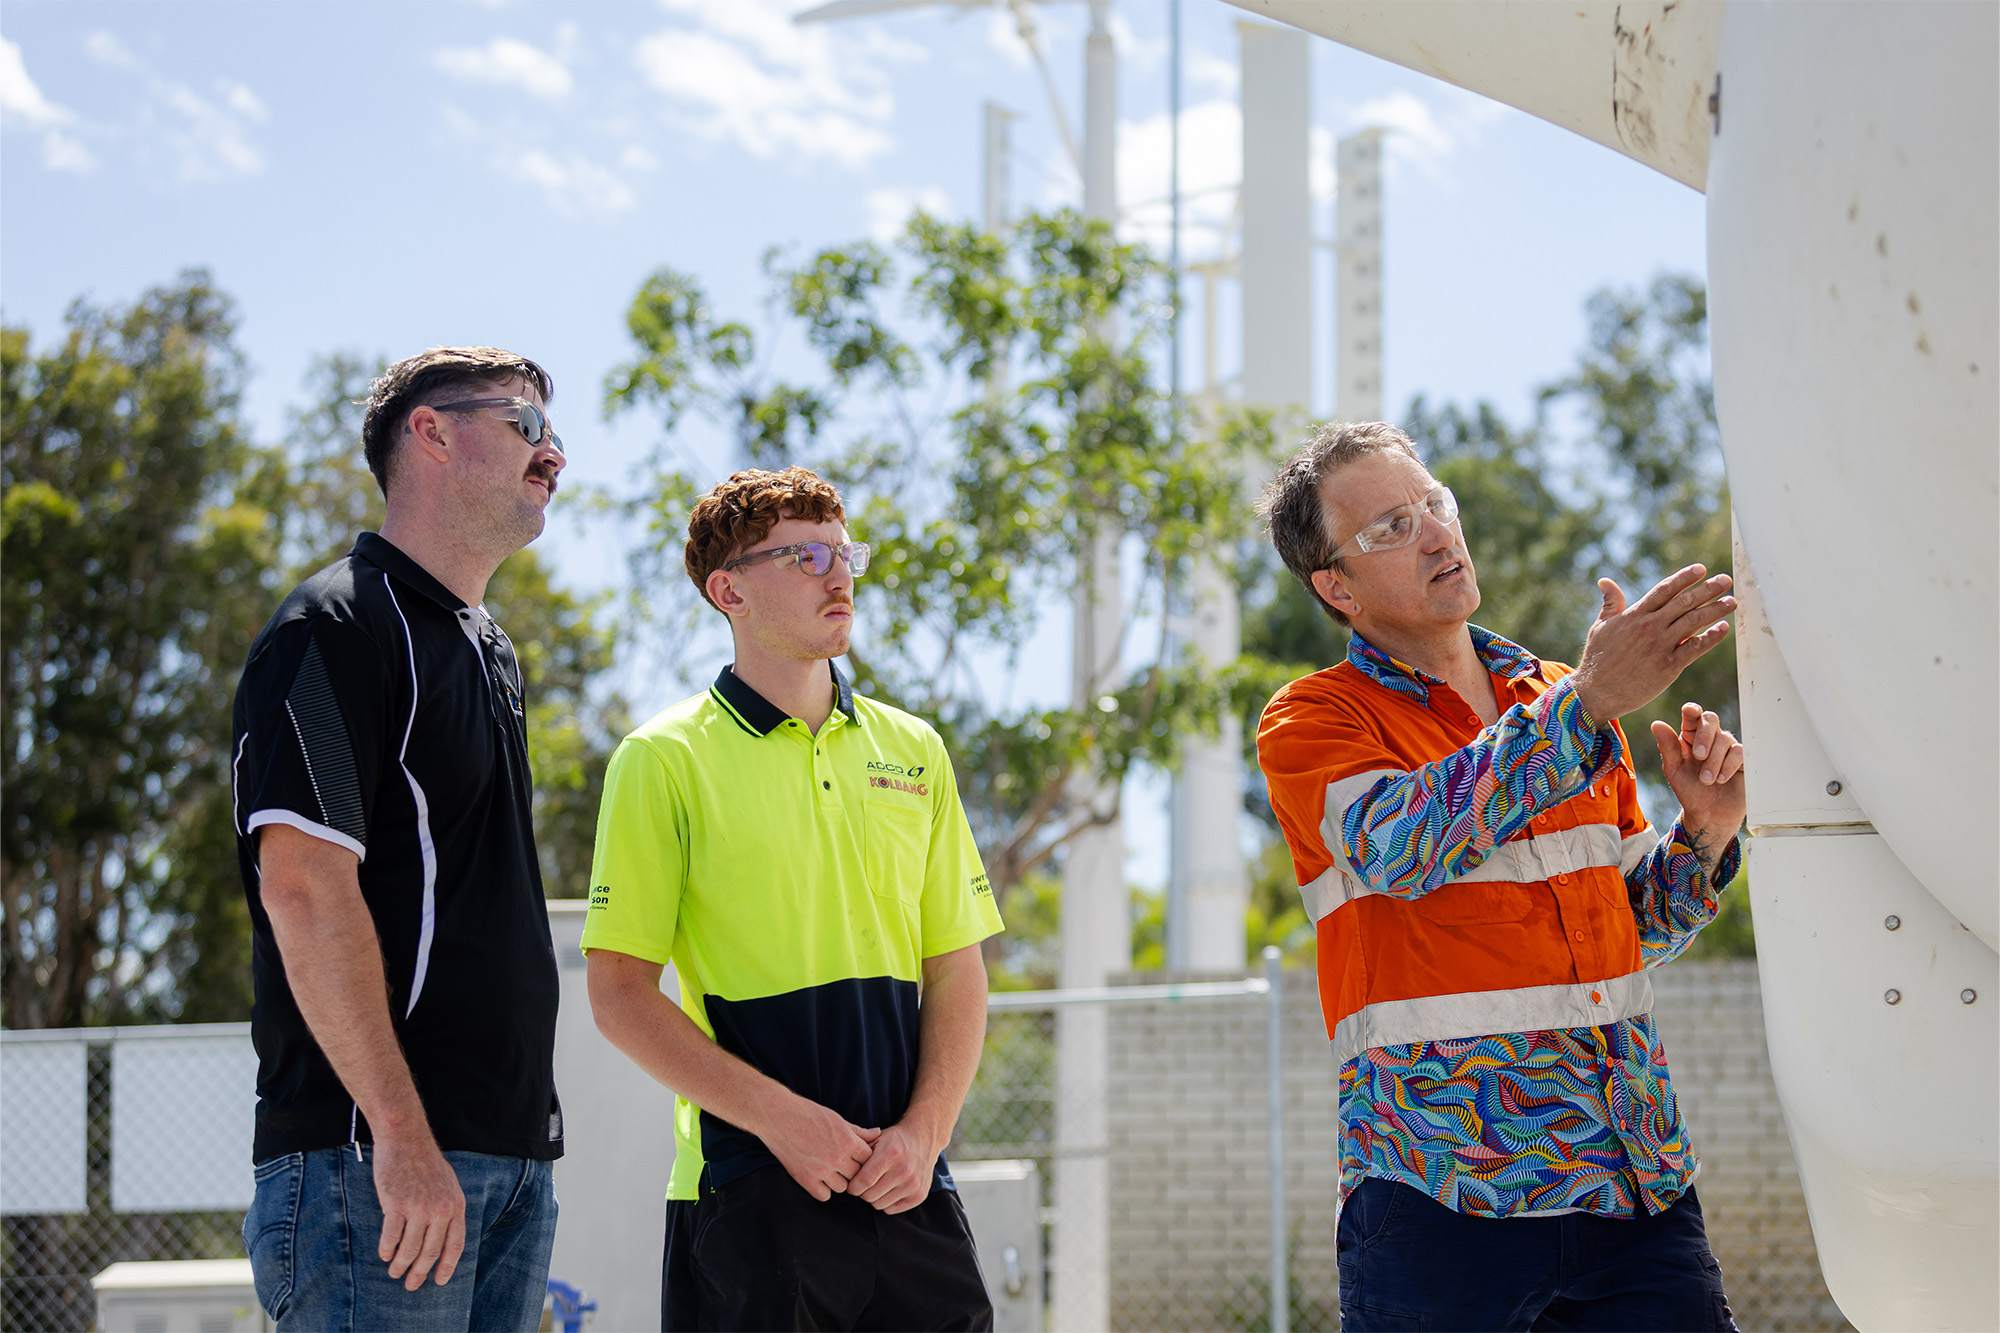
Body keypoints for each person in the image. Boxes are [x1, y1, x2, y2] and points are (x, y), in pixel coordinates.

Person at [1255, 422, 1747, 1332]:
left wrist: (1707, 834)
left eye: (1433, 502)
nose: (1439, 533)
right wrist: (1590, 701)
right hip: (1440, 1199)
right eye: (1391, 528)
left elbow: (1634, 931)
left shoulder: (1555, 694)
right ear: (1337, 587)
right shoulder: (1314, 720)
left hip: (1633, 1190)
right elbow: (1402, 845)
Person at [582, 466, 1003, 1332]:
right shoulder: (661, 760)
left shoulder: (914, 748)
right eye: (806, 554)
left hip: (907, 1182)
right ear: (727, 589)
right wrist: (785, 1123)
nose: (839, 573)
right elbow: (619, 996)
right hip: (751, 1187)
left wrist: (925, 1133)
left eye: (845, 551)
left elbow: (957, 968)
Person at [231, 346, 569, 1331]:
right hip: (374, 1165)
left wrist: (515, 1157)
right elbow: (303, 889)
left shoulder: (488, 651)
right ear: (430, 431)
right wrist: (402, 1133)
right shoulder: (334, 626)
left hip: (505, 1166)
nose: (553, 457)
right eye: (528, 426)